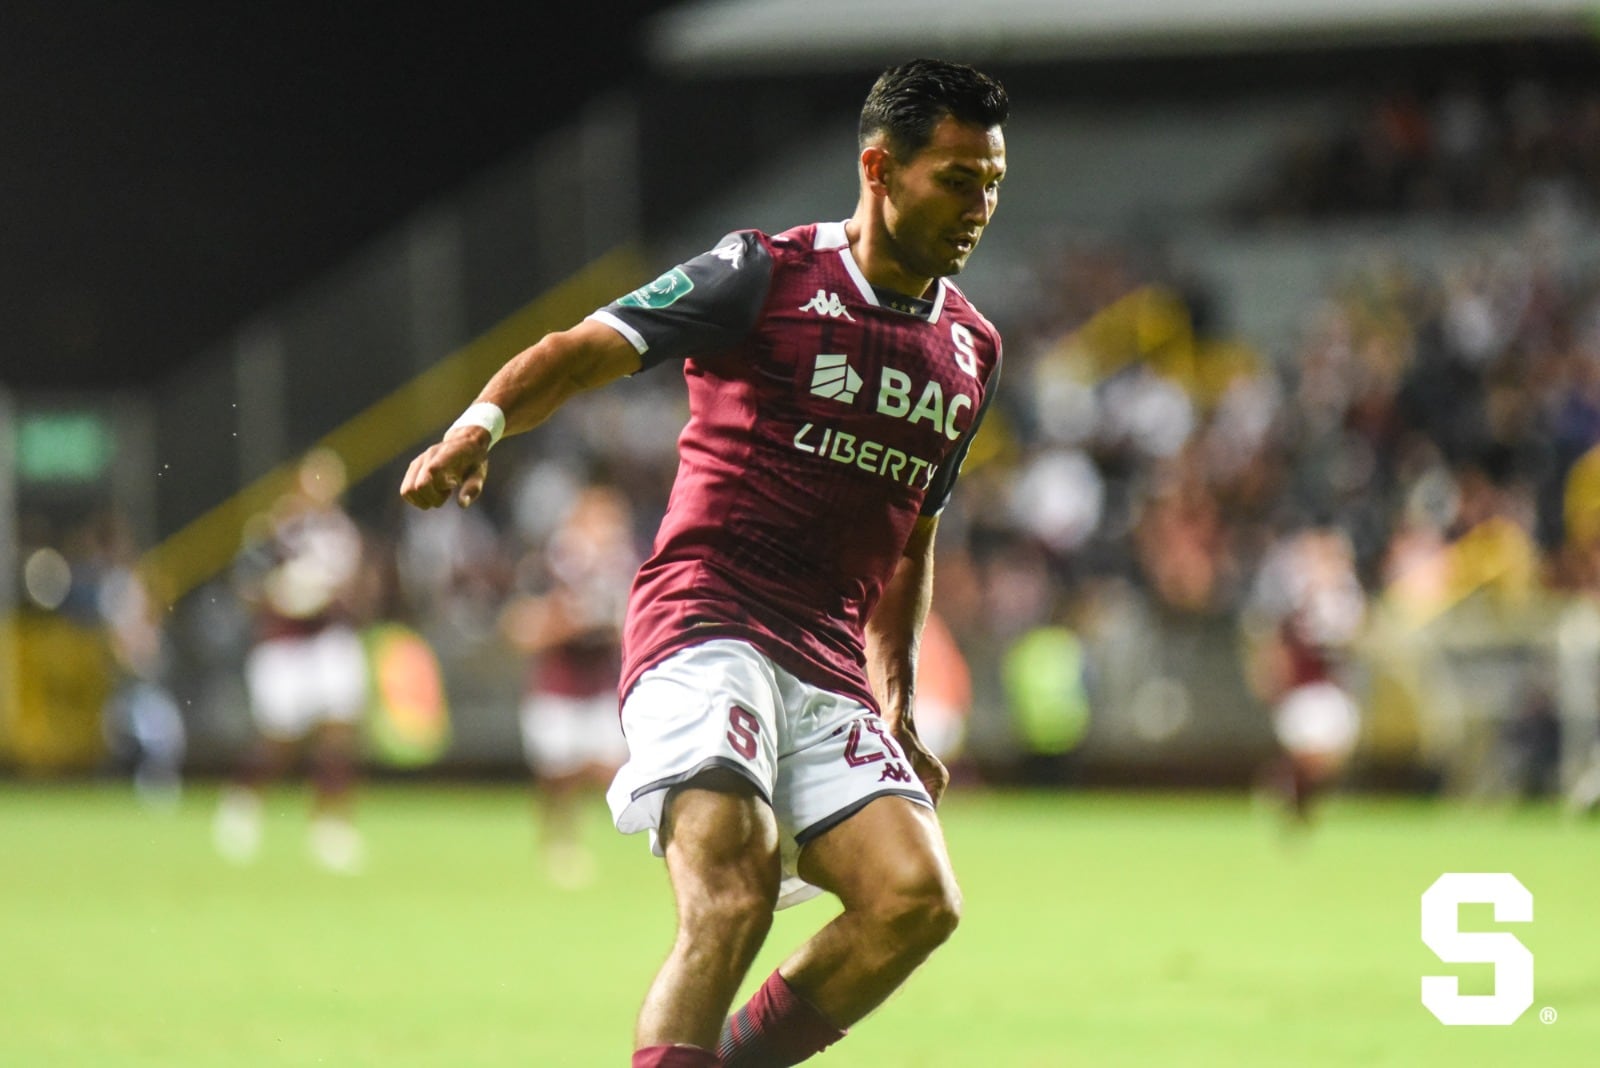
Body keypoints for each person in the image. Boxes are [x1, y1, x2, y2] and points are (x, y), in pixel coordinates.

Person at [403, 58, 1009, 1068]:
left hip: (827, 663)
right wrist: (481, 424)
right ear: (879, 169)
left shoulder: (971, 349)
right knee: (733, 887)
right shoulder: (764, 273)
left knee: (916, 901)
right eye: (956, 179)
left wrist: (896, 698)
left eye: (991, 182)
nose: (979, 207)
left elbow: (912, 535)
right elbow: (587, 345)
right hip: (706, 620)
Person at [214, 447, 373, 873]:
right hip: (283, 643)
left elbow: (357, 586)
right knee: (278, 740)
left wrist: (332, 595)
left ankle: (330, 825)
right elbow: (246, 587)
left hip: (330, 637)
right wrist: (282, 594)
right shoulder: (273, 528)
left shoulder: (341, 531)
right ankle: (243, 801)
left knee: (339, 731)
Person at [500, 482, 638, 887]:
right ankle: (558, 843)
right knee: (557, 773)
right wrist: (568, 622)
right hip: (558, 682)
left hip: (601, 682)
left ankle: (618, 839)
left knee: (611, 767)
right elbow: (520, 623)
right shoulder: (553, 562)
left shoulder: (624, 565)